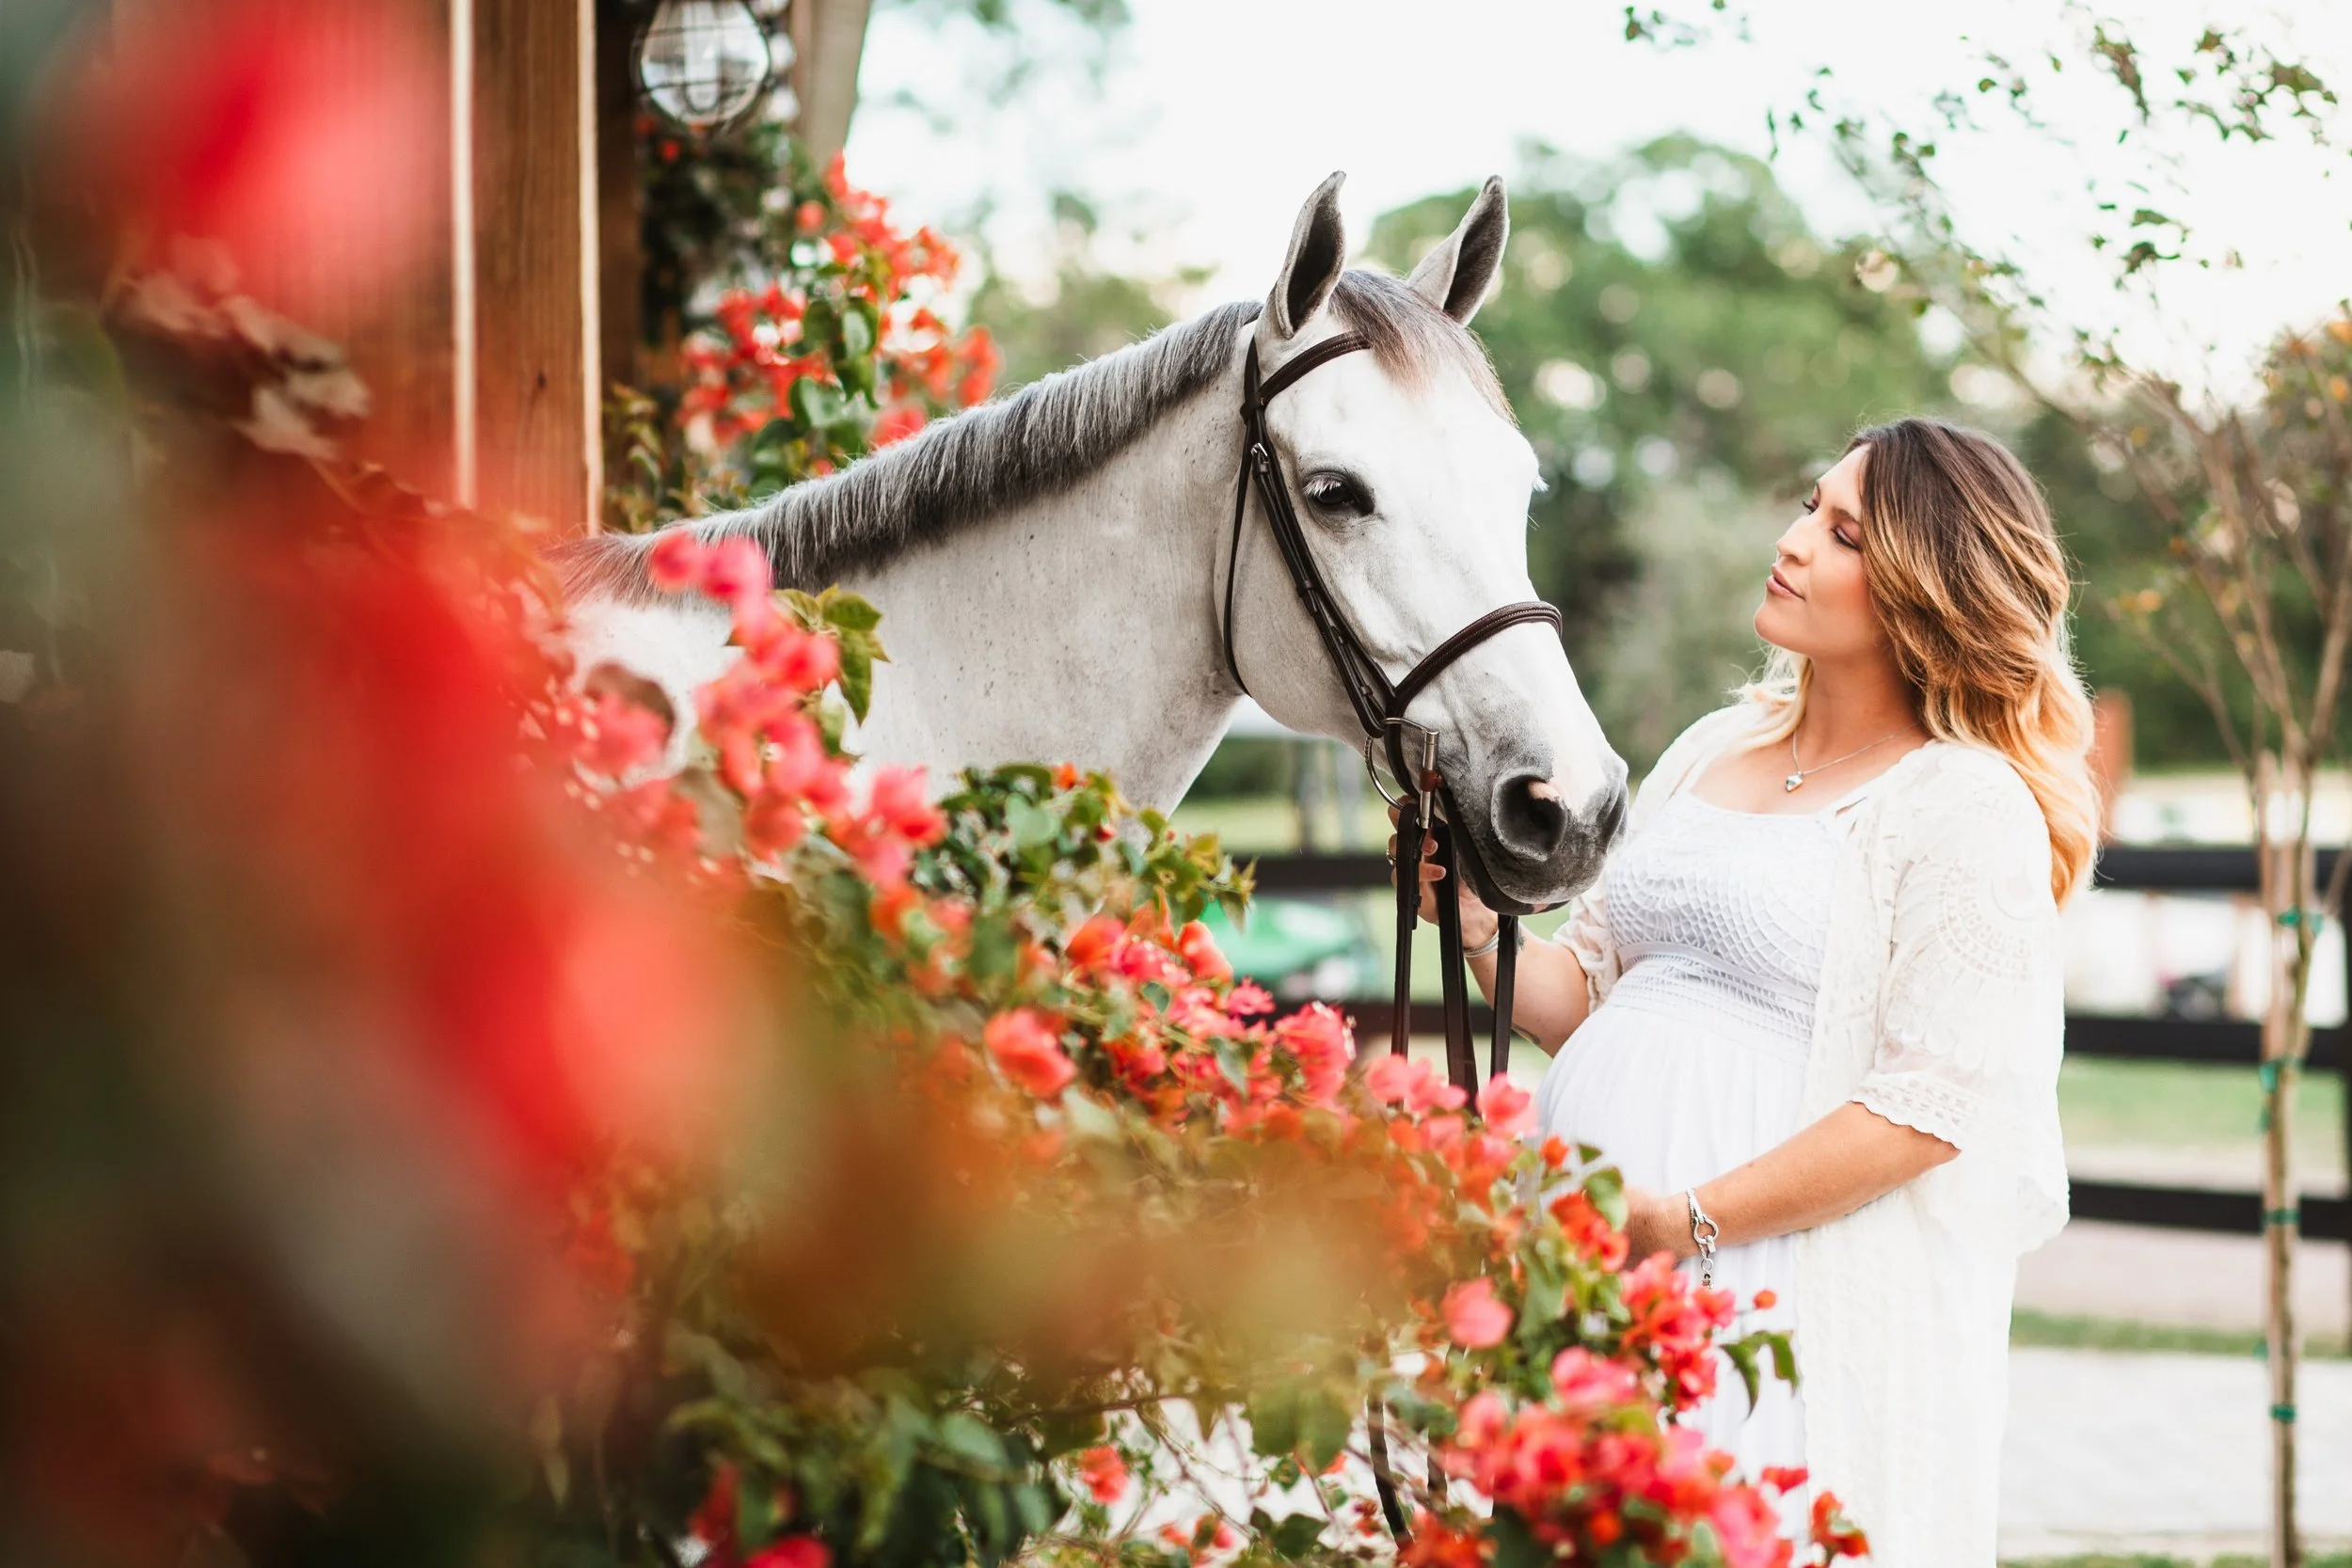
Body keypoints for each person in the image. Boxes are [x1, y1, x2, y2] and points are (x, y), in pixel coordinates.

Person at [1397, 418, 2096, 1562]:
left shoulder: (1961, 806)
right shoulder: (1713, 746)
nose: (1791, 542)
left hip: (1768, 1280)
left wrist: (1684, 1222)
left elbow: (1927, 1110)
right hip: (1597, 1256)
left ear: (1926, 586)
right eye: (1807, 506)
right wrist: (1479, 923)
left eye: (1843, 534)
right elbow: (1591, 994)